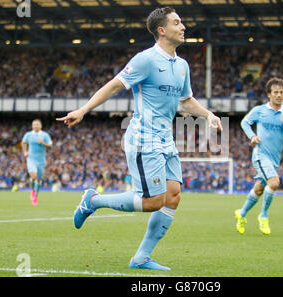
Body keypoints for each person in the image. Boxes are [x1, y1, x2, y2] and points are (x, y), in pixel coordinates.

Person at [57, 6, 222, 271]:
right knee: (153, 201)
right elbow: (114, 85)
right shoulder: (145, 60)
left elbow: (186, 100)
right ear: (161, 30)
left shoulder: (181, 65)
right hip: (144, 138)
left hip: (166, 139)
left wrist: (209, 115)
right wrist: (83, 110)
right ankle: (93, 200)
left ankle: (141, 258)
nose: (183, 27)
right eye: (177, 23)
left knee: (173, 195)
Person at [235, 77, 283, 235]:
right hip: (260, 155)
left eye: (282, 92)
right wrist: (252, 136)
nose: (279, 95)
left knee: (259, 189)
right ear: (269, 95)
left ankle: (241, 214)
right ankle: (263, 216)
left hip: (274, 159)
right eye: (276, 92)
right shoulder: (260, 110)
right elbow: (245, 122)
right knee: (274, 182)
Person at [21, 119, 53, 206]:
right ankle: (33, 191)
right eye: (34, 125)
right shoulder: (28, 134)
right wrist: (25, 152)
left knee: (38, 179)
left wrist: (43, 143)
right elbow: (23, 143)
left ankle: (35, 195)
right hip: (31, 158)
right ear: (32, 126)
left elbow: (50, 145)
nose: (36, 126)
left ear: (40, 126)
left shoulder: (45, 135)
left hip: (41, 160)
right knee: (33, 176)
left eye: (37, 124)